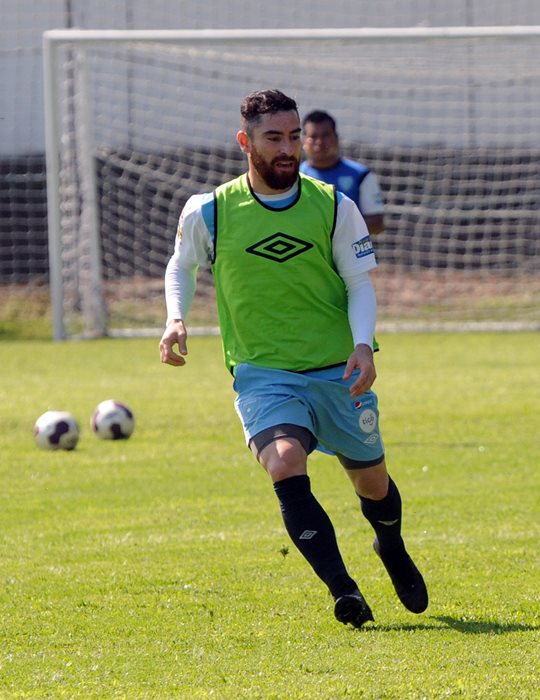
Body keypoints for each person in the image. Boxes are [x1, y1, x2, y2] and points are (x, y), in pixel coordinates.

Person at [159, 89, 426, 627]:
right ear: (245, 141)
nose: (288, 149)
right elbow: (181, 265)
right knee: (283, 461)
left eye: (293, 136)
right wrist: (175, 317)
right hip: (264, 373)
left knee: (372, 483)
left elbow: (359, 283)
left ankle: (390, 544)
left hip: (337, 368)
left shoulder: (334, 205)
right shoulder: (210, 210)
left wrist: (362, 344)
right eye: (273, 138)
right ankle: (344, 590)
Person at [300, 110, 386, 235]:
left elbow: (377, 223)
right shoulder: (294, 177)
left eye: (325, 135)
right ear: (303, 141)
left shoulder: (361, 175)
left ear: (336, 138)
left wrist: (334, 230)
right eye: (313, 136)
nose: (319, 142)